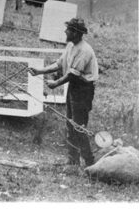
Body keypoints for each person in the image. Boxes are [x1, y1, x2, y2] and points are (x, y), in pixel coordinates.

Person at [29, 17, 99, 167]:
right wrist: (39, 71)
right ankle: (72, 161)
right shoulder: (70, 46)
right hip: (74, 88)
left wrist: (56, 83)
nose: (65, 31)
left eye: (68, 29)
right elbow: (59, 64)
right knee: (69, 124)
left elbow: (73, 74)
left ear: (75, 33)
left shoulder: (84, 50)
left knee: (78, 127)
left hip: (83, 90)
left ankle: (89, 162)